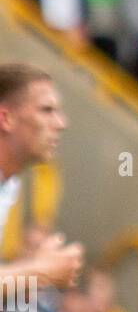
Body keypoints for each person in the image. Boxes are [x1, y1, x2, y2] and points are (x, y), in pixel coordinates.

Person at [0, 64, 83, 291]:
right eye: (47, 110)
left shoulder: (9, 184)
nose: (61, 123)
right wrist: (40, 270)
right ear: (6, 119)